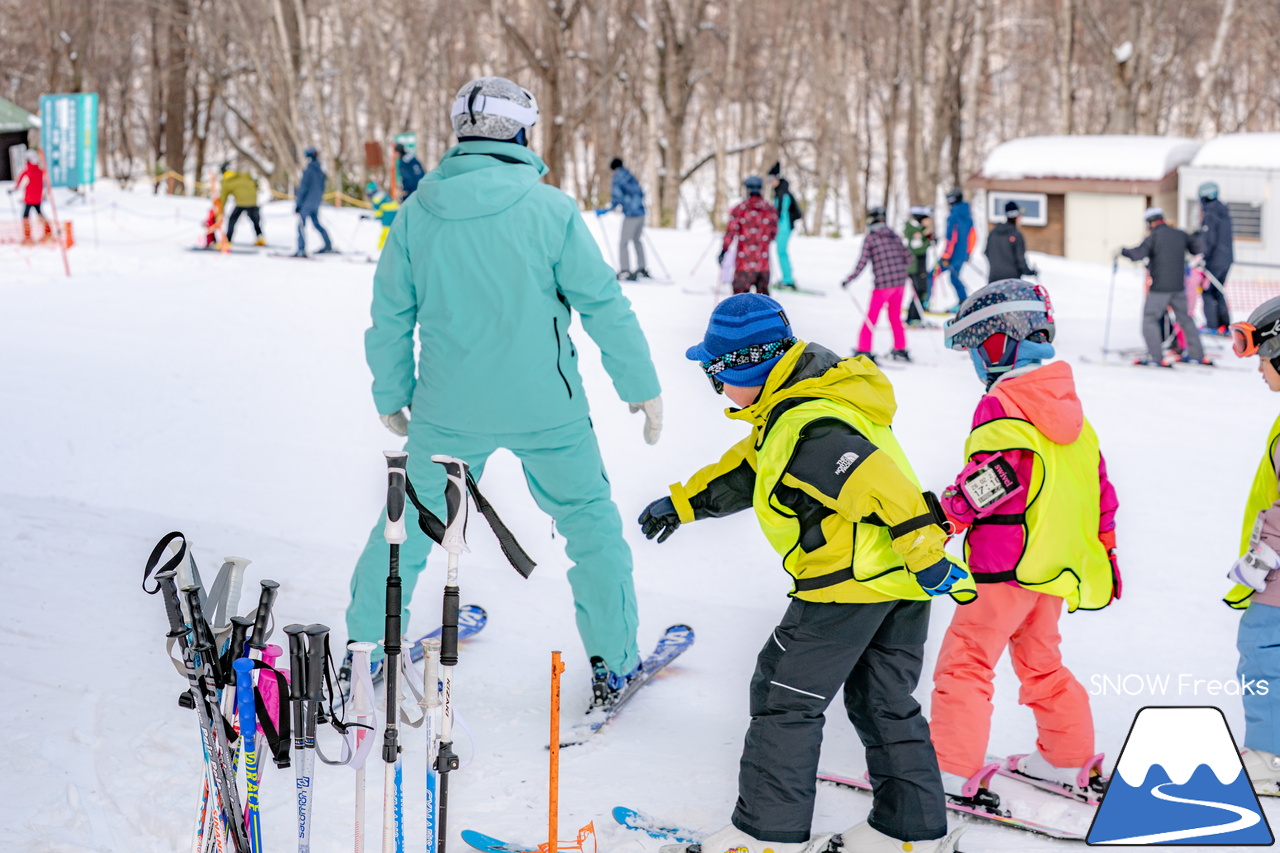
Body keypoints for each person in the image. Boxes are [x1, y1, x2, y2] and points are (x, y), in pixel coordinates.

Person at [345, 76, 663, 706]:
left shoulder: (416, 213)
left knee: (404, 528)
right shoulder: (550, 210)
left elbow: (390, 317)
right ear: (521, 131)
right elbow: (603, 303)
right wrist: (640, 383)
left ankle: (363, 653)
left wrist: (391, 393)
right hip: (547, 409)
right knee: (590, 529)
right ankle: (614, 662)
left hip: (447, 409)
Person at [636, 293, 973, 853]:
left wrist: (929, 554)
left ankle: (766, 837)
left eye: (716, 375)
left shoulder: (812, 426)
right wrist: (683, 503)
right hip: (896, 585)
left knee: (782, 695)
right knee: (882, 699)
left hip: (850, 585)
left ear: (750, 366)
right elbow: (751, 468)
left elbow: (884, 487)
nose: (717, 390)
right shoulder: (801, 410)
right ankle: (906, 831)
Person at [932, 280, 1120, 808]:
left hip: (1002, 567)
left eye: (974, 349)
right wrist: (1104, 549)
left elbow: (994, 478)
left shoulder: (1006, 403)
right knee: (1042, 664)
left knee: (966, 662)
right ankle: (1066, 758)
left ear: (998, 342)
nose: (974, 361)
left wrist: (945, 517)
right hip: (1051, 568)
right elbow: (1100, 489)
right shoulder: (1070, 411)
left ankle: (949, 770)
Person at [1224, 297, 1280, 793]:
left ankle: (1268, 757)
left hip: (1278, 577)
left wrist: (1262, 559)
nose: (1260, 369)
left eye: (1263, 358)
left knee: (1261, 651)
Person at [1120, 207, 1208, 367]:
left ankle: (1156, 357)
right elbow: (1197, 248)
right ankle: (1198, 355)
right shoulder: (1179, 234)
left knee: (1149, 319)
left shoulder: (1154, 237)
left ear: (1150, 223)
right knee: (1186, 320)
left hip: (1160, 288)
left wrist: (1123, 251)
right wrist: (1197, 234)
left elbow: (1138, 254)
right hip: (1178, 288)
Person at [841, 205, 913, 363]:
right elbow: (908, 258)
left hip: (883, 285)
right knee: (895, 317)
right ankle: (900, 348)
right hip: (900, 283)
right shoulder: (894, 235)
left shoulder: (871, 238)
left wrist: (849, 279)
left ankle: (864, 350)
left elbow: (862, 262)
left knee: (871, 318)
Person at [719, 176, 778, 296]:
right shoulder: (770, 209)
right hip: (763, 264)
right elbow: (773, 234)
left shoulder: (740, 209)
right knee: (763, 304)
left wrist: (724, 250)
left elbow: (730, 232)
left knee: (740, 302)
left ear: (747, 189)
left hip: (743, 264)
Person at [595, 157, 649, 281]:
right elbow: (641, 192)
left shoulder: (618, 177)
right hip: (641, 213)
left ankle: (625, 270)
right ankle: (642, 267)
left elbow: (616, 198)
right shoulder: (630, 175)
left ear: (613, 168)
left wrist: (604, 210)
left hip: (631, 215)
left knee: (623, 243)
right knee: (637, 240)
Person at [1198, 181, 1234, 334]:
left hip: (1215, 261)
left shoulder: (1211, 213)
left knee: (1207, 291)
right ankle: (1223, 325)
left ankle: (1212, 325)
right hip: (1226, 259)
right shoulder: (1223, 211)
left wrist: (1202, 256)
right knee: (1218, 290)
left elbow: (1209, 239)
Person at [768, 161, 802, 290]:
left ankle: (787, 279)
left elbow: (781, 213)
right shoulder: (779, 191)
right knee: (781, 252)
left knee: (781, 251)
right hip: (781, 227)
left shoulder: (783, 192)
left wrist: (774, 227)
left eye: (771, 179)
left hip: (784, 227)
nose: (770, 182)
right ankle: (786, 278)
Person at [939, 188, 975, 307]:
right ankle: (963, 301)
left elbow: (951, 238)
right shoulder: (968, 216)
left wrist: (946, 256)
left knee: (932, 274)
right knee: (954, 277)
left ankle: (925, 302)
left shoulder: (953, 217)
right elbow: (973, 236)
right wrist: (968, 253)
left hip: (952, 255)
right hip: (962, 254)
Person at [294, 146, 333, 257]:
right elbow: (322, 188)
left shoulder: (308, 171)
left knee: (301, 225)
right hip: (316, 202)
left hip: (306, 203)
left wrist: (298, 204)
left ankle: (301, 249)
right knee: (317, 224)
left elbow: (303, 188)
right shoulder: (320, 171)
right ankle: (328, 244)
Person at [984, 201, 1036, 283]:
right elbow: (1020, 259)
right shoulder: (1016, 235)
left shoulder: (993, 232)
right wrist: (1029, 272)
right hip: (1012, 281)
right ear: (1017, 217)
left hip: (994, 280)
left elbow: (986, 252)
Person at [219, 162, 265, 247]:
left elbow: (223, 198)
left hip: (241, 202)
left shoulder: (226, 181)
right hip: (253, 200)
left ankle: (228, 240)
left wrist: (220, 210)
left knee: (232, 220)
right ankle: (260, 237)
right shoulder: (241, 175)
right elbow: (255, 183)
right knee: (255, 220)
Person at [10, 151, 50, 244]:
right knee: (40, 214)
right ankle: (48, 231)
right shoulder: (40, 171)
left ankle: (28, 236)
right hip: (38, 198)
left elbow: (19, 184)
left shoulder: (27, 172)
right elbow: (46, 183)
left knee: (25, 216)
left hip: (29, 198)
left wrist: (12, 190)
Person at [904, 206, 934, 327]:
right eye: (927, 218)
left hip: (920, 266)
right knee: (920, 291)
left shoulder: (919, 230)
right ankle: (912, 318)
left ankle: (914, 317)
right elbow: (917, 249)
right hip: (915, 267)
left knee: (921, 291)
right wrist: (928, 242)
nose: (929, 221)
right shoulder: (913, 230)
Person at [363, 181, 399, 249]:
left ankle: (381, 250)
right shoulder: (382, 194)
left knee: (385, 235)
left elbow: (378, 213)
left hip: (388, 218)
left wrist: (369, 217)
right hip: (395, 215)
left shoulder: (376, 198)